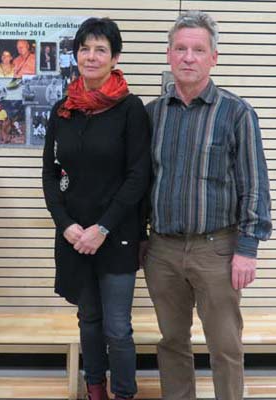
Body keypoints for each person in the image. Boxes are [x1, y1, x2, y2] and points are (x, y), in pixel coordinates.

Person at [143, 11, 272, 400]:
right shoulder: (151, 115)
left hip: (217, 249)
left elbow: (255, 186)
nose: (188, 57)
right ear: (168, 55)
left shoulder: (237, 113)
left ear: (213, 57)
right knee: (171, 341)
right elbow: (140, 183)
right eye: (180, 49)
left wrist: (247, 250)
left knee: (225, 346)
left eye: (198, 50)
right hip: (162, 249)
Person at [42, 17, 150, 400]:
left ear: (114, 57)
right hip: (73, 236)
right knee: (88, 318)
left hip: (116, 234)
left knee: (117, 326)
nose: (91, 56)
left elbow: (139, 177)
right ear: (75, 54)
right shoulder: (63, 109)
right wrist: (67, 225)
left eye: (100, 49)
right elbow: (50, 175)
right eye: (85, 48)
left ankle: (123, 393)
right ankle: (94, 390)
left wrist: (101, 228)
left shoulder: (131, 109)